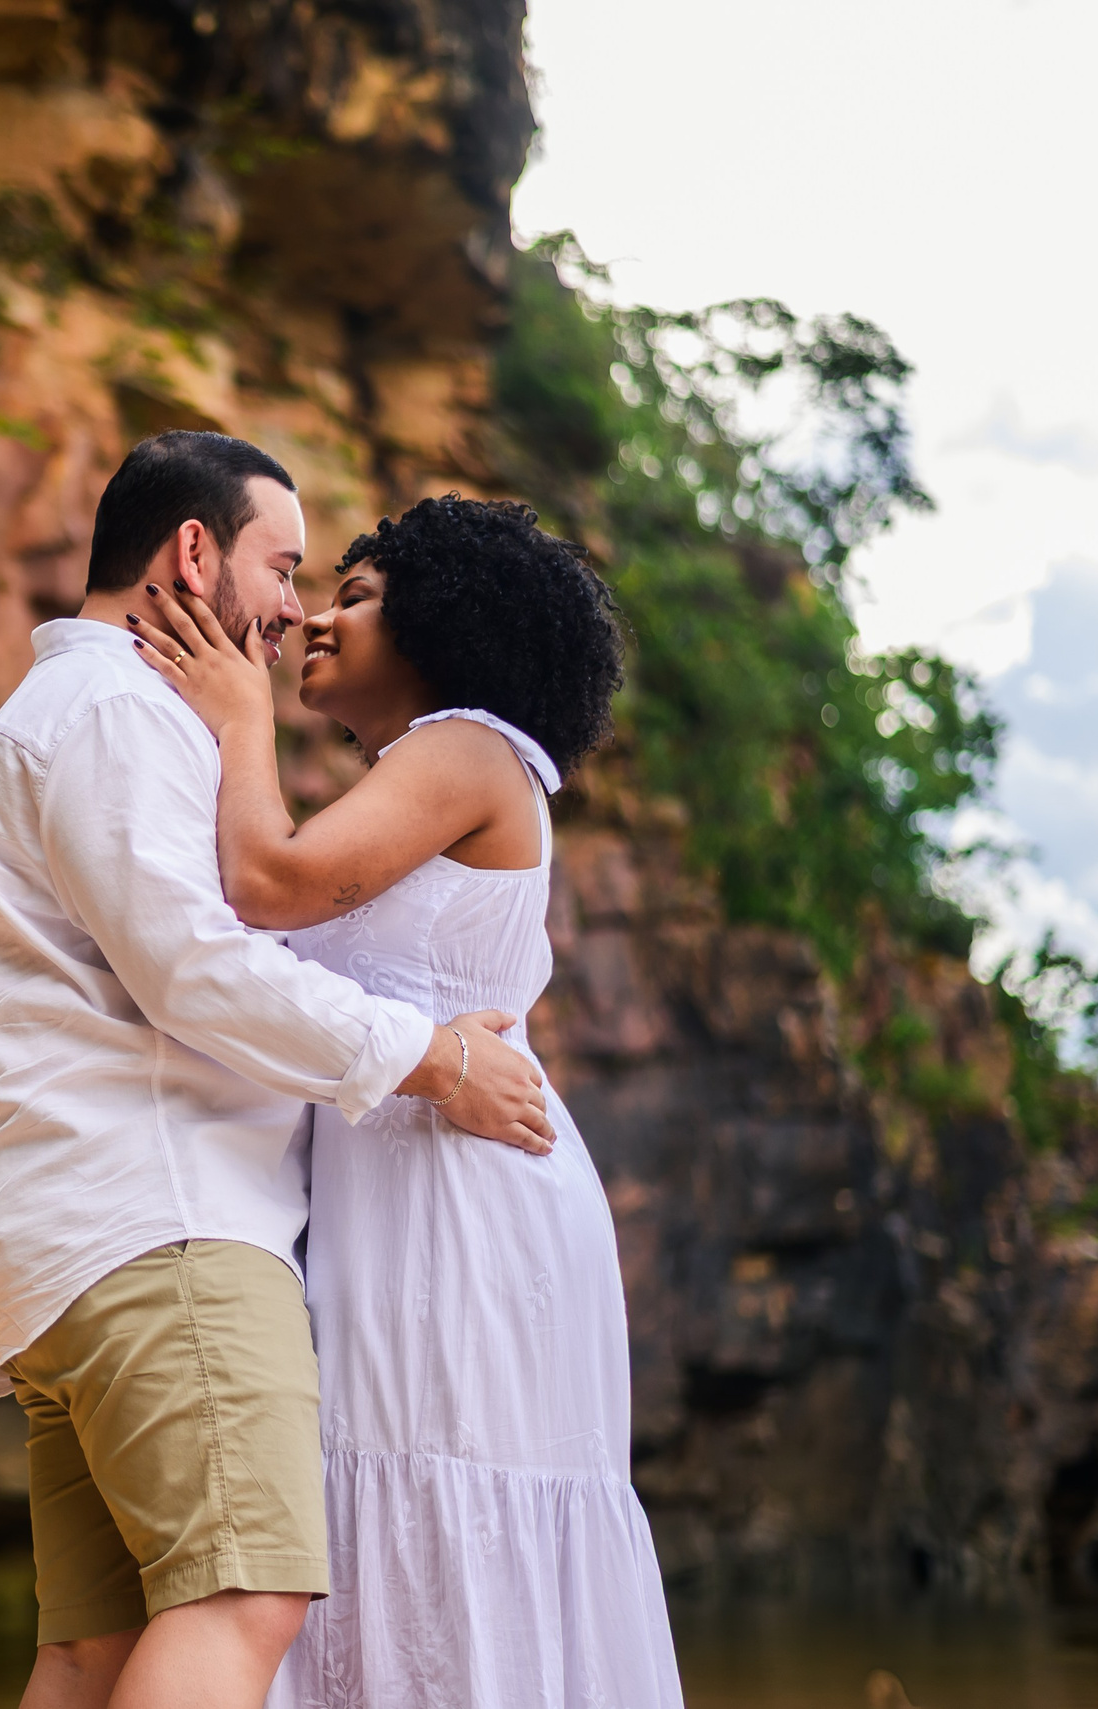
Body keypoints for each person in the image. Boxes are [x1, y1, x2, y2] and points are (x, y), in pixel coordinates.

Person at [0, 434, 554, 1709]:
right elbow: (194, 967)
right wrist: (434, 1059)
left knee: (93, 1651)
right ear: (193, 551)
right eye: (282, 567)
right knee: (241, 1596)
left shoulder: (80, 712)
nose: (292, 605)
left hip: (69, 1237)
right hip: (161, 1221)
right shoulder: (116, 711)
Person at [132, 493, 684, 1709]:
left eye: (359, 596)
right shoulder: (413, 774)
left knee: (431, 1496)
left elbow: (268, 884)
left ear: (445, 622)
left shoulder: (468, 744)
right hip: (408, 1182)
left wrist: (236, 714)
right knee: (376, 1508)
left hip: (459, 1198)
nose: (318, 618)